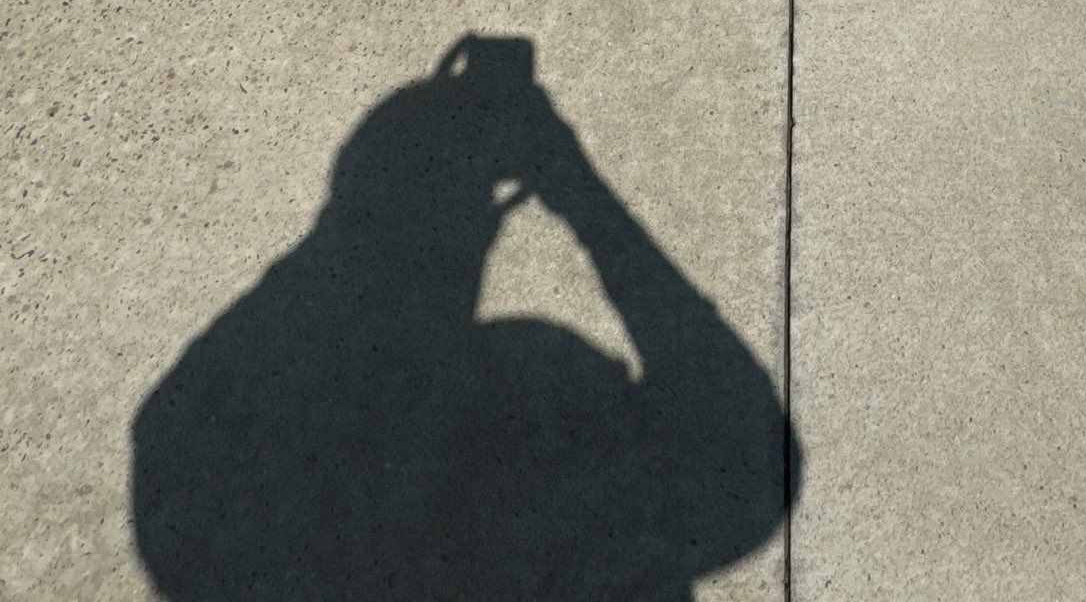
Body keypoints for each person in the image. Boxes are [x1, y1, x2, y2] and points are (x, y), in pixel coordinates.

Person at [132, 35, 798, 599]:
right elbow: (735, 421)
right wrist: (572, 187)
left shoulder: (247, 540)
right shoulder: (625, 528)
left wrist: (409, 232)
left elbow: (205, 412)